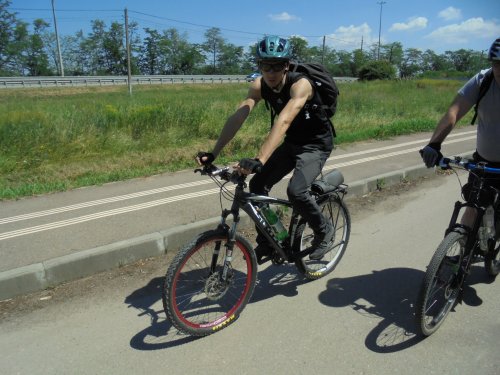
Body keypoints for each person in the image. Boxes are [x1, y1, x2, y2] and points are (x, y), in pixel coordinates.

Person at [196, 35, 335, 261]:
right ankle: (268, 241)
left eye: (277, 66)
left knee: (297, 191)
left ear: (286, 66)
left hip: (315, 145)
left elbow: (284, 121)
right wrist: (214, 153)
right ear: (259, 65)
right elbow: (239, 116)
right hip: (292, 143)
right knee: (258, 184)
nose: (270, 72)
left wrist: (259, 159)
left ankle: (324, 229)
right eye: (265, 66)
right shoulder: (259, 85)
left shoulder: (301, 84)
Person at [421, 37, 500, 229]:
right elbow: (454, 112)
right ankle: (463, 251)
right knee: (472, 206)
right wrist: (434, 144)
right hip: (485, 160)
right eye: (498, 64)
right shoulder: (483, 80)